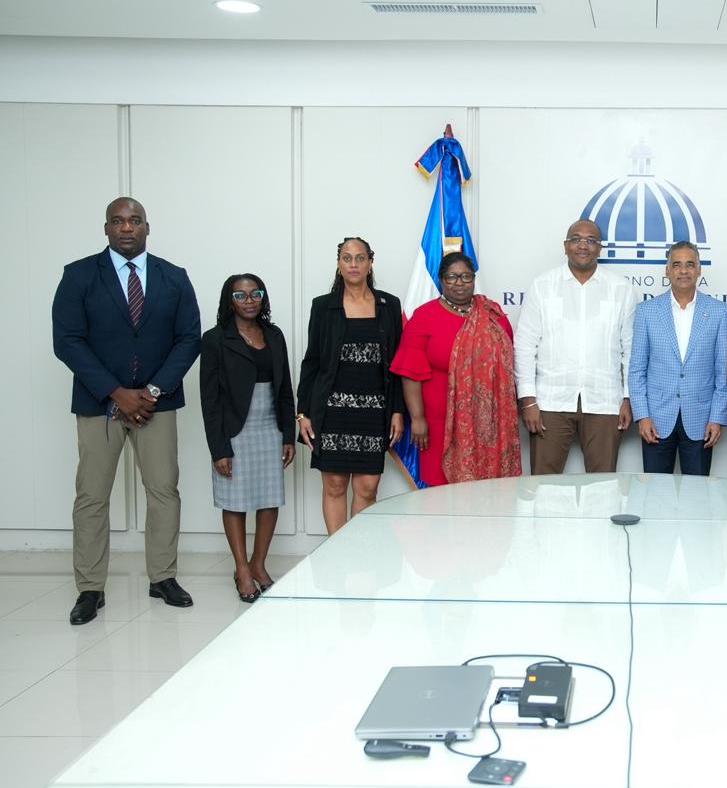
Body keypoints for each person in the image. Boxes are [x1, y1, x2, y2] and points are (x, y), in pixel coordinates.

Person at [52, 196, 201, 625]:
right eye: (117, 221)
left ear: (147, 227)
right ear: (106, 228)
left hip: (158, 404)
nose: (126, 227)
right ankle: (90, 588)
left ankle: (163, 577)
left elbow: (189, 338)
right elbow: (67, 340)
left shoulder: (174, 277)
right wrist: (116, 392)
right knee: (92, 496)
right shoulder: (79, 275)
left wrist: (151, 391)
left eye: (135, 220)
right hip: (100, 403)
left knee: (164, 491)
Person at [296, 237, 405, 534]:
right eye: (347, 258)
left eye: (360, 258)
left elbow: (397, 364)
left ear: (370, 262)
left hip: (374, 413)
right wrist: (302, 413)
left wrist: (397, 410)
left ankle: (357, 551)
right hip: (332, 412)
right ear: (339, 264)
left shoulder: (389, 305)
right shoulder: (323, 306)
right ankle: (336, 553)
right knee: (334, 484)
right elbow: (312, 362)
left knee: (368, 487)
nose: (353, 264)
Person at [199, 274, 295, 603]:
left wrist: (288, 434)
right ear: (229, 301)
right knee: (235, 500)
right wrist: (219, 448)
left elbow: (285, 389)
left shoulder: (274, 335)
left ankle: (258, 563)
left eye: (256, 293)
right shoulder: (215, 339)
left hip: (270, 427)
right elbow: (209, 399)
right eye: (240, 295)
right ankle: (241, 568)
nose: (249, 300)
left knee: (269, 498)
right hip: (234, 429)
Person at [515, 219, 638, 474]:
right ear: (565, 246)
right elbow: (525, 345)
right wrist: (528, 401)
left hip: (605, 400)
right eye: (576, 239)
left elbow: (630, 349)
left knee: (603, 486)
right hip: (549, 401)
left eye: (591, 240)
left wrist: (628, 397)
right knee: (543, 485)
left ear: (600, 248)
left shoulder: (621, 288)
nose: (583, 245)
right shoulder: (542, 286)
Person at [391, 252, 520, 485]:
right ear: (441, 280)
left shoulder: (493, 315)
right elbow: (410, 373)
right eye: (452, 277)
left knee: (490, 489)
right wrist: (417, 419)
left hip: (490, 423)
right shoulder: (425, 316)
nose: (459, 282)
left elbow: (508, 366)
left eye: (465, 276)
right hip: (440, 424)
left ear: (473, 279)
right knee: (441, 490)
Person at [629, 241, 727, 475]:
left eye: (689, 264)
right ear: (667, 270)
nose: (683, 270)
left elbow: (722, 371)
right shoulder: (647, 311)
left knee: (697, 492)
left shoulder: (719, 311)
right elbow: (637, 369)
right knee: (655, 491)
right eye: (676, 265)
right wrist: (642, 415)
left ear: (699, 269)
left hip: (701, 419)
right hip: (655, 419)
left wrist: (717, 417)